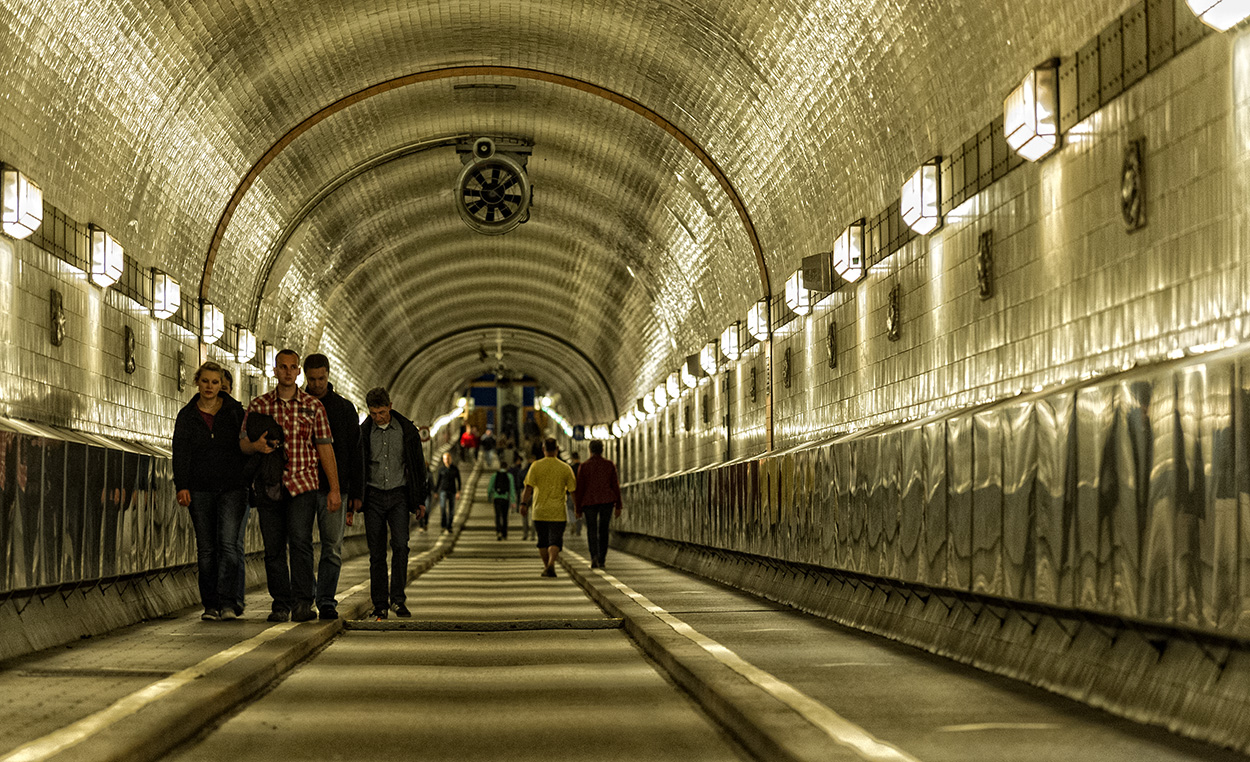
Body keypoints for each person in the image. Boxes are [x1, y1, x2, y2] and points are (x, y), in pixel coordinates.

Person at [240, 348, 340, 623]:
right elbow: (242, 443)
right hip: (270, 484)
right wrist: (255, 446)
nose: (287, 371)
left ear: (298, 372)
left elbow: (325, 449)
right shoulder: (259, 406)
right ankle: (280, 602)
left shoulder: (313, 407)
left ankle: (302, 602)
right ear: (275, 370)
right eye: (282, 367)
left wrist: (334, 488)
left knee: (300, 543)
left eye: (292, 367)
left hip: (303, 483)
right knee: (273, 547)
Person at [173, 361, 248, 620]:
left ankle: (229, 601)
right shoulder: (187, 415)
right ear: (197, 382)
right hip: (200, 488)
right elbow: (180, 453)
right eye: (205, 381)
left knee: (228, 545)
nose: (210, 387)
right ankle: (210, 604)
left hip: (231, 488)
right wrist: (181, 485)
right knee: (206, 548)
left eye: (215, 382)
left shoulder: (234, 412)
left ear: (221, 385)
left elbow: (244, 446)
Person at [355, 387, 428, 620]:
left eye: (382, 412)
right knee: (376, 553)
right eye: (374, 413)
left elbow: (418, 468)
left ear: (390, 406)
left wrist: (419, 501)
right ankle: (380, 604)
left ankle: (398, 599)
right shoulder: (364, 433)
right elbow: (358, 468)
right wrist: (355, 500)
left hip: (399, 495)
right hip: (374, 496)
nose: (378, 418)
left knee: (400, 546)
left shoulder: (407, 431)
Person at [303, 353, 362, 620]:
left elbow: (353, 452)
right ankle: (304, 599)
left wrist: (355, 493)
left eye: (321, 378)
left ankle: (326, 599)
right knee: (300, 545)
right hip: (301, 486)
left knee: (332, 546)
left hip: (333, 488)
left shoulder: (343, 409)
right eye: (312, 379)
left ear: (328, 375)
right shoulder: (296, 406)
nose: (317, 384)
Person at [520, 438, 577, 578]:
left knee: (543, 542)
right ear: (557, 449)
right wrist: (577, 507)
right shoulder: (565, 468)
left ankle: (547, 566)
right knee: (555, 541)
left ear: (543, 449)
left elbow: (528, 488)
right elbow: (572, 490)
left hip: (539, 511)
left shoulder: (535, 466)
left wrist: (523, 504)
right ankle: (551, 564)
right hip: (558, 511)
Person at [573, 440, 623, 569]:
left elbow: (580, 489)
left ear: (590, 450)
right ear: (603, 449)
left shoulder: (584, 466)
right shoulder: (609, 465)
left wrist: (577, 508)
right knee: (604, 529)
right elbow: (615, 486)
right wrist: (618, 505)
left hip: (589, 502)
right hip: (607, 501)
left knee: (592, 529)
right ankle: (602, 559)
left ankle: (593, 556)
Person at [487, 463, 516, 540]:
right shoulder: (509, 476)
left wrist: (490, 498)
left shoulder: (494, 475)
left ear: (500, 467)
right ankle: (504, 533)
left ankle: (498, 531)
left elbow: (490, 488)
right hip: (505, 498)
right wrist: (513, 501)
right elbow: (512, 489)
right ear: (506, 468)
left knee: (497, 515)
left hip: (496, 498)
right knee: (505, 516)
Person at [434, 451, 461, 533]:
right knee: (443, 508)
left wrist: (458, 491)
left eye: (448, 459)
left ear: (451, 459)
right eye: (445, 459)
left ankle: (449, 525)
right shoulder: (441, 469)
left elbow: (459, 480)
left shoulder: (455, 469)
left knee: (451, 510)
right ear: (443, 460)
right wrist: (436, 491)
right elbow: (438, 481)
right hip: (443, 491)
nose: (447, 460)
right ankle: (443, 524)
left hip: (452, 491)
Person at [513, 453, 532, 541]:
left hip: (524, 494)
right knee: (535, 516)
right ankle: (533, 535)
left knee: (524, 515)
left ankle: (525, 534)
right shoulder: (537, 471)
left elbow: (518, 484)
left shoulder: (523, 471)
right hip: (535, 494)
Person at [565, 450, 583, 536]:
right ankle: (578, 529)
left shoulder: (570, 468)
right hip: (581, 494)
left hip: (570, 493)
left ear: (572, 458)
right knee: (579, 510)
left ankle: (573, 522)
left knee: (570, 509)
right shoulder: (582, 468)